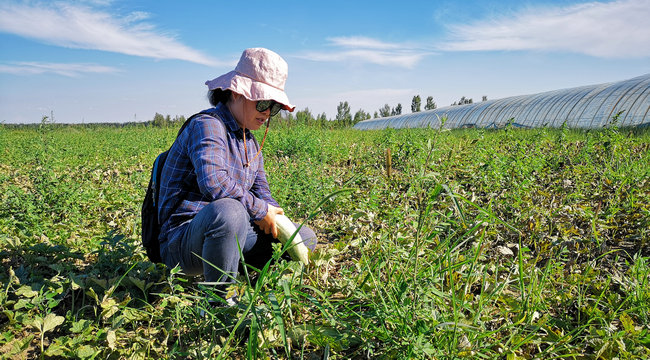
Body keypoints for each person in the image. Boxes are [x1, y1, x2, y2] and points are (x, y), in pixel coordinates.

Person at [157, 48, 317, 302]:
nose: (267, 113)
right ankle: (220, 300)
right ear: (236, 93)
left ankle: (242, 275)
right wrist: (260, 210)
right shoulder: (208, 125)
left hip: (231, 231)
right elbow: (214, 182)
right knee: (229, 212)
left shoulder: (251, 142)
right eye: (263, 103)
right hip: (184, 241)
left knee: (304, 238)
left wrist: (273, 216)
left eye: (273, 107)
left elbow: (262, 193)